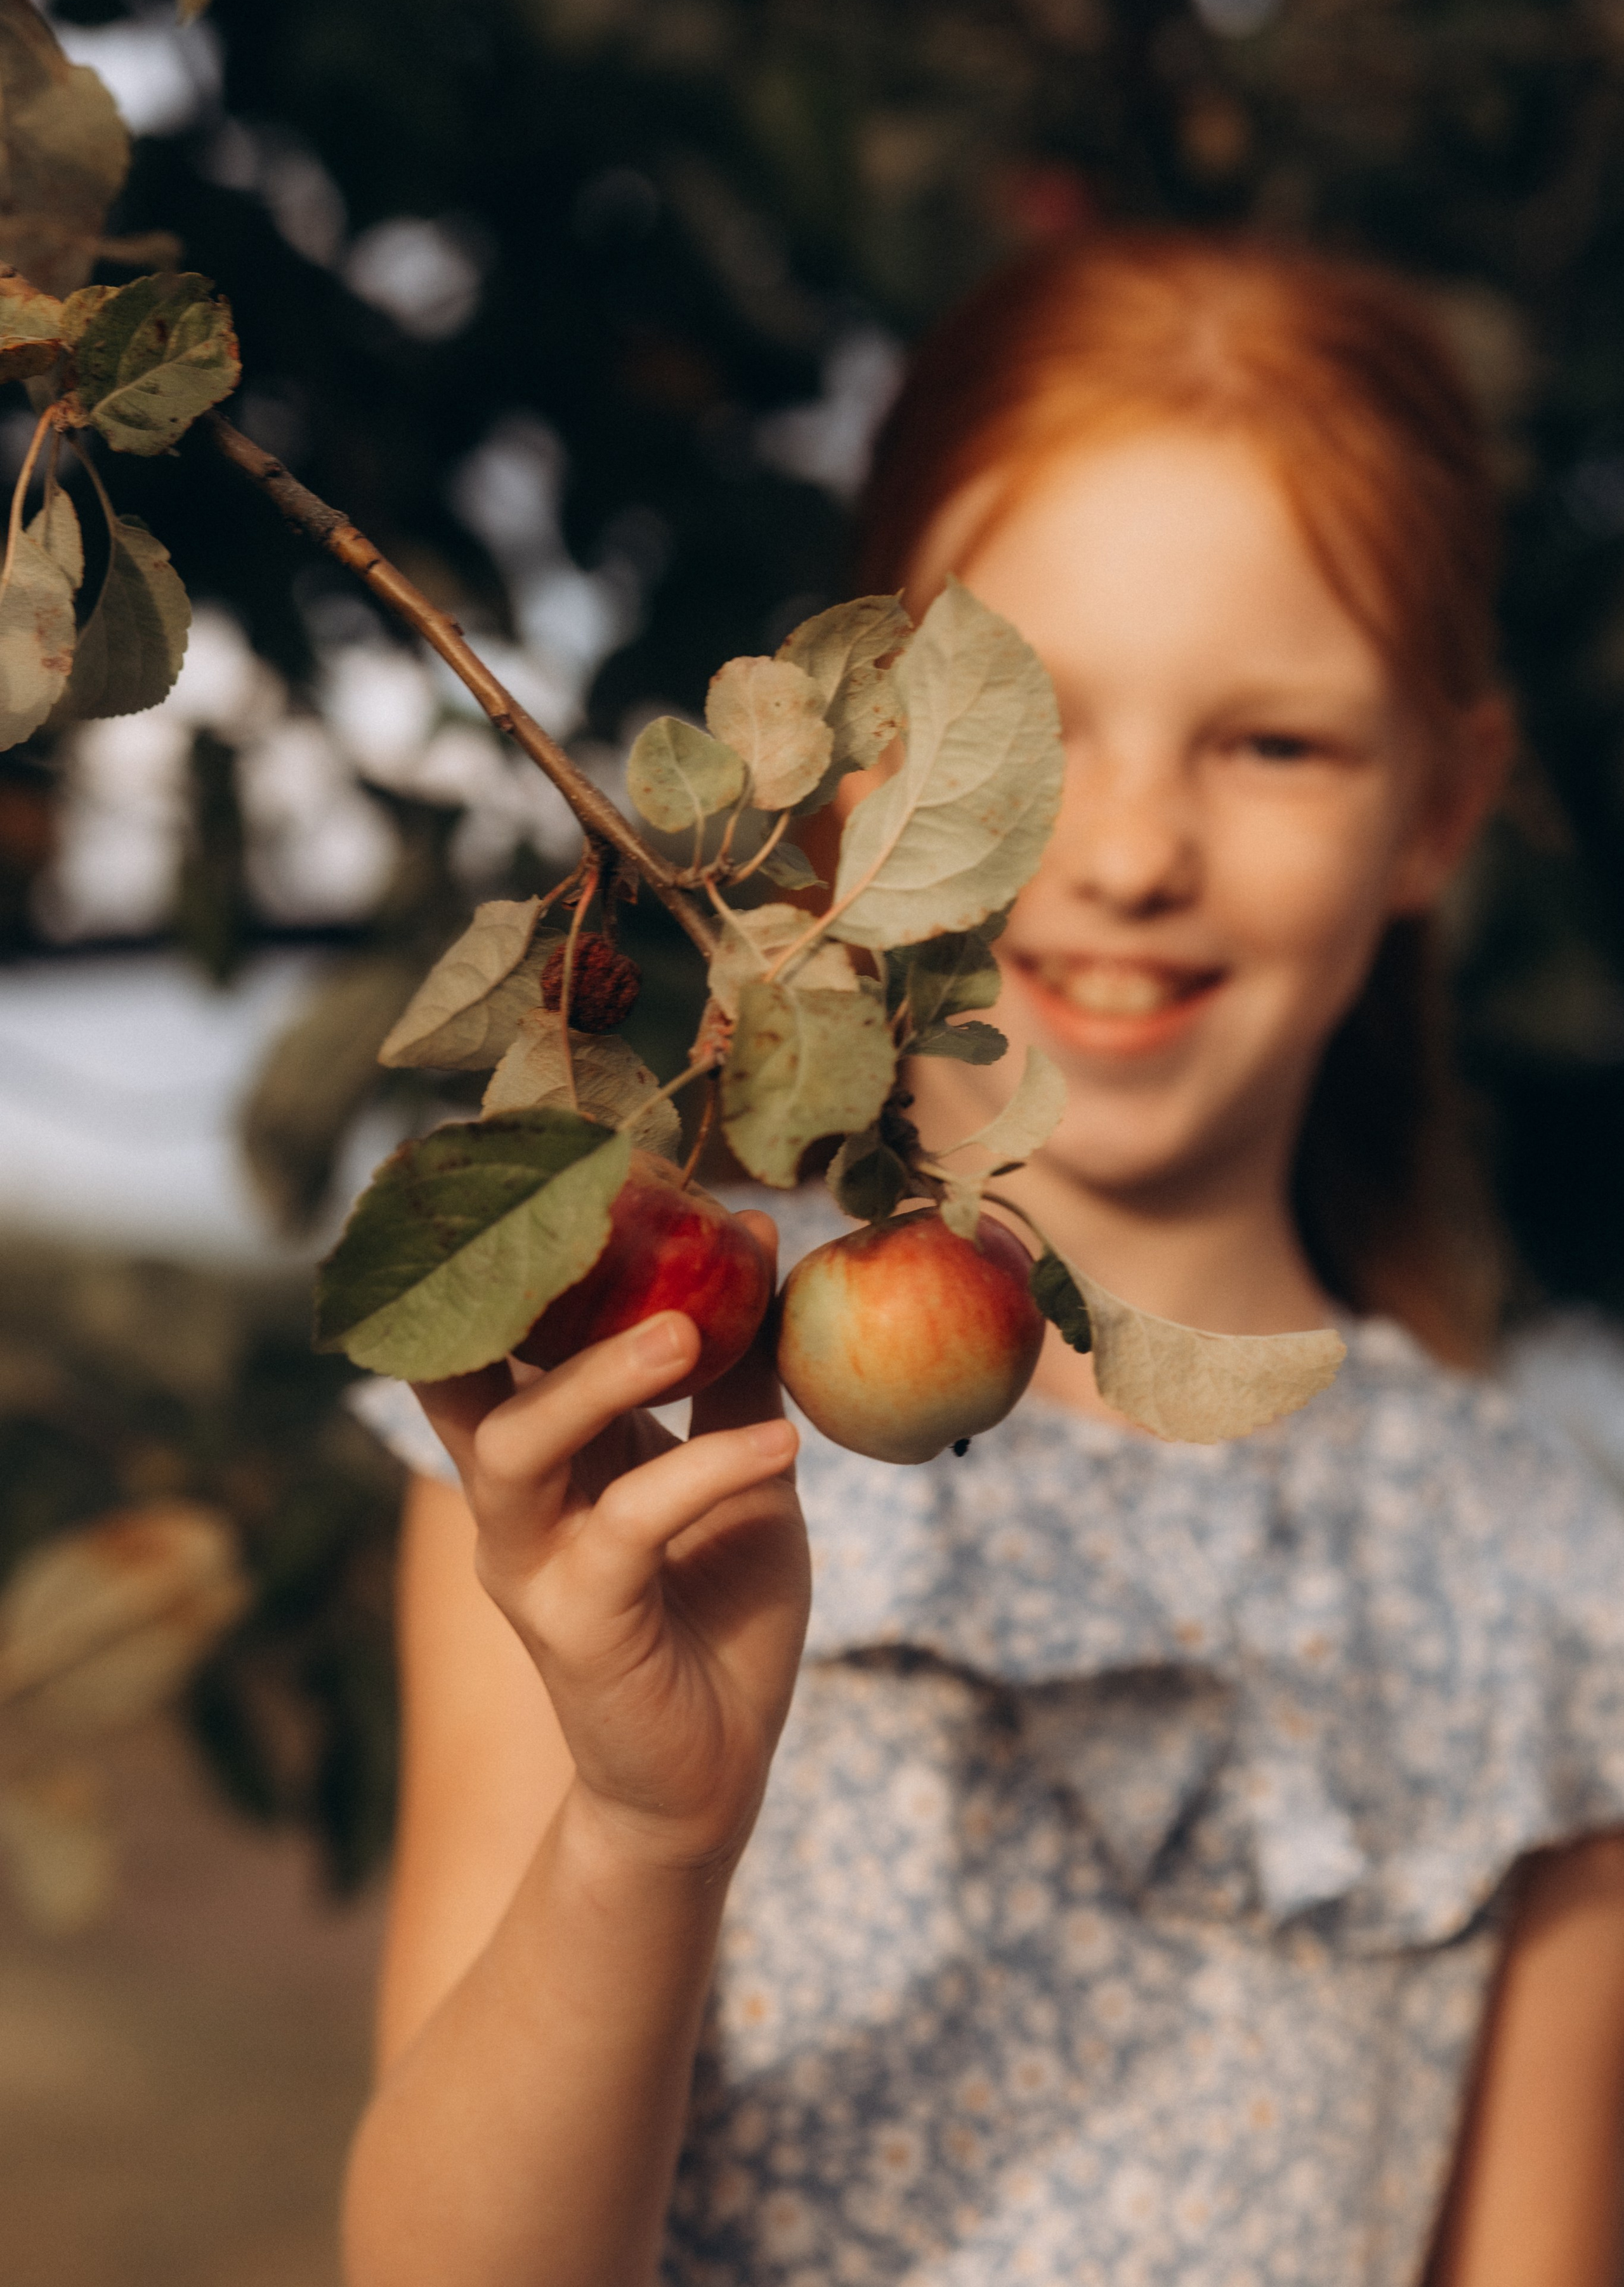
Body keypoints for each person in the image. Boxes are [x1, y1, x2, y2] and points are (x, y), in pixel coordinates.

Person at [341, 232, 1624, 2287]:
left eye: (1271, 744)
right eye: (1033, 731)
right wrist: (646, 1837)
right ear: (860, 771)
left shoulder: (1545, 1589)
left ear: (1439, 808)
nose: (1127, 852)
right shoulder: (628, 1417)